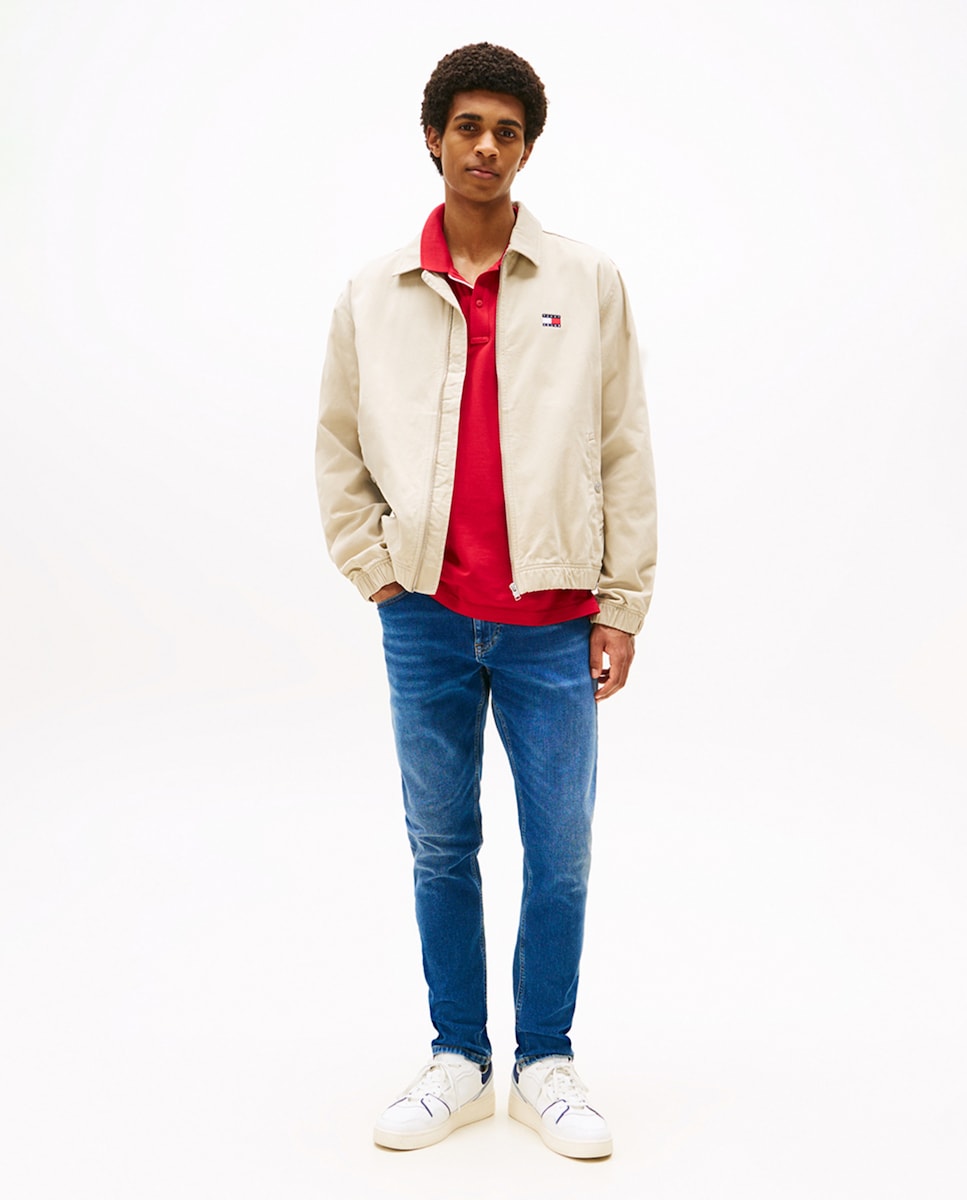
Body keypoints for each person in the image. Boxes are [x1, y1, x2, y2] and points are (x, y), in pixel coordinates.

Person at [315, 42, 656, 1159]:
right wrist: (372, 569)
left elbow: (622, 446)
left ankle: (544, 1061)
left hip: (552, 620)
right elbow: (336, 445)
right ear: (434, 137)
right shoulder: (373, 293)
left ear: (526, 150)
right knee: (439, 845)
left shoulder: (585, 282)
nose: (486, 147)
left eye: (507, 131)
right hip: (422, 615)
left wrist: (622, 602)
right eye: (467, 126)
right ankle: (458, 1060)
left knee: (560, 852)